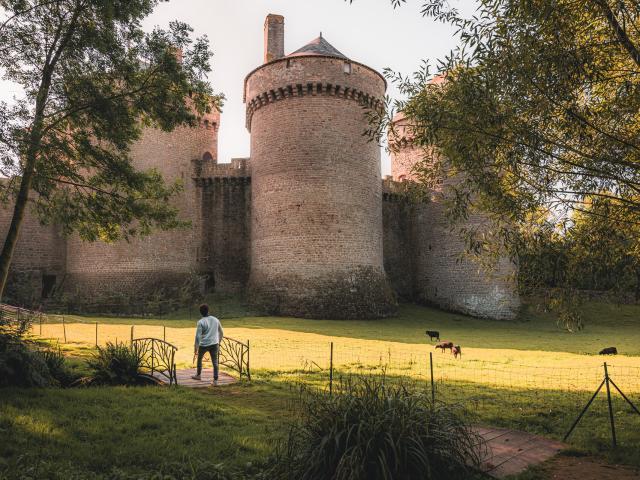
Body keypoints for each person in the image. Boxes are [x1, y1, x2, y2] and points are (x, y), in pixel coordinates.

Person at [191, 304, 224, 386]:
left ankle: (198, 375)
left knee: (199, 359)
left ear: (200, 313)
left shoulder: (200, 322)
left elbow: (198, 336)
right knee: (215, 362)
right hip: (214, 344)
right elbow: (221, 332)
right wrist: (218, 342)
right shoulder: (216, 319)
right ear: (208, 311)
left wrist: (196, 348)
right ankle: (215, 380)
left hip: (204, 344)